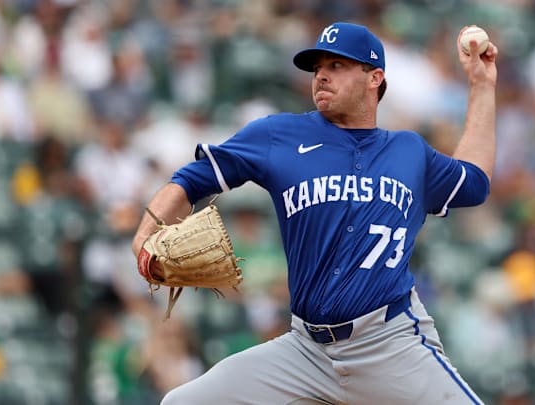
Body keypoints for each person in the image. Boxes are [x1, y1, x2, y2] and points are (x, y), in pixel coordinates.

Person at [132, 21, 498, 405]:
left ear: (375, 78)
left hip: (389, 346)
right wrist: (143, 236)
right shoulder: (279, 135)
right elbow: (190, 180)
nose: (321, 74)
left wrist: (481, 84)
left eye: (337, 65)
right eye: (317, 67)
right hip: (305, 351)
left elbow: (474, 182)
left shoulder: (409, 152)